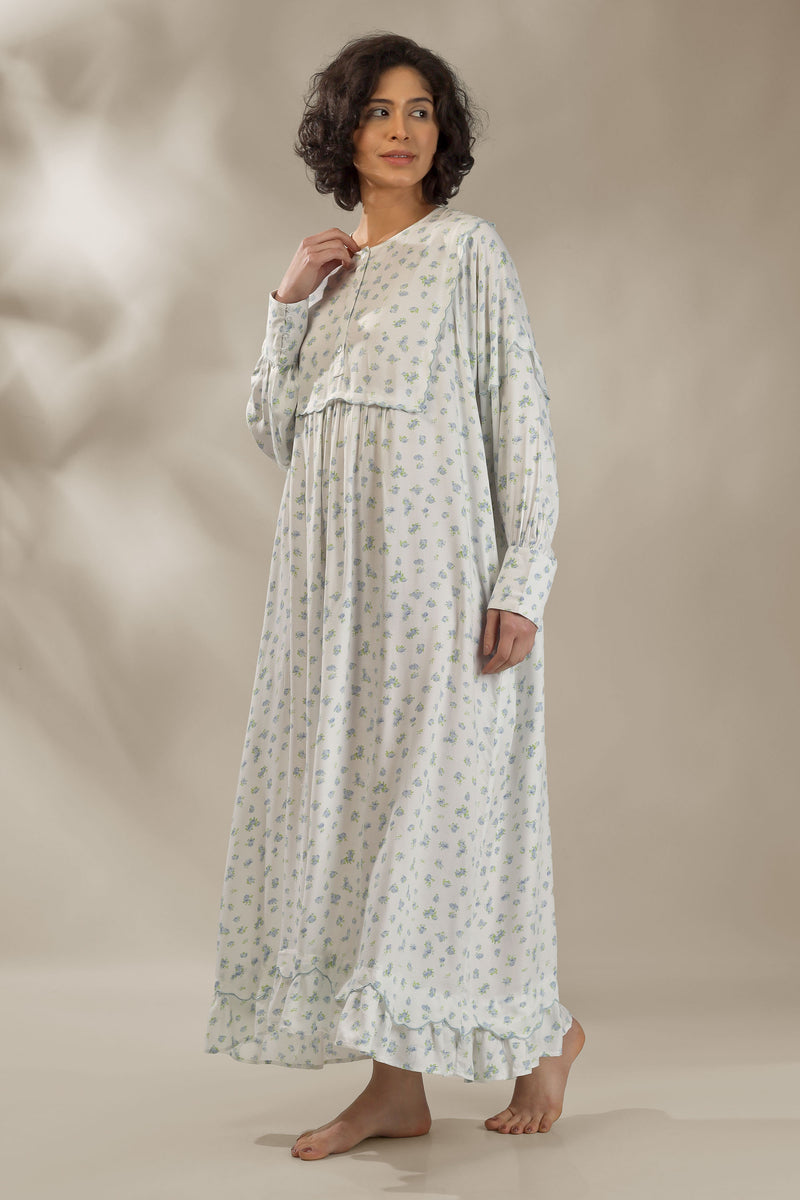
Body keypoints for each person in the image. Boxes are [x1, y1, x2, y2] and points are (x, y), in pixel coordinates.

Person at [204, 31, 585, 1161]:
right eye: (379, 110)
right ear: (344, 130)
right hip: (332, 607)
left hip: (439, 592)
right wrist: (285, 305)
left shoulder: (468, 251)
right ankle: (394, 1088)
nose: (403, 129)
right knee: (366, 823)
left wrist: (522, 578)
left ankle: (546, 1030)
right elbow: (277, 433)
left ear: (442, 132)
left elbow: (519, 414)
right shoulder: (327, 280)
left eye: (421, 110)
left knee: (443, 818)